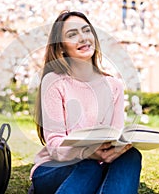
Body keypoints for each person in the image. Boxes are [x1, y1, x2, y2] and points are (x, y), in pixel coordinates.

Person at [30, 11, 142, 194]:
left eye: (86, 31)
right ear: (61, 48)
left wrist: (119, 147)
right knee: (89, 165)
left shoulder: (114, 85)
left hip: (100, 163)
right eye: (72, 35)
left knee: (131, 156)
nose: (83, 38)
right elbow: (54, 145)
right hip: (55, 169)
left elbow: (115, 134)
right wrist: (86, 153)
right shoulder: (54, 82)